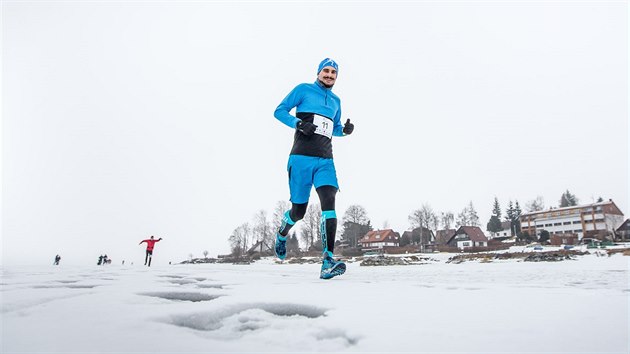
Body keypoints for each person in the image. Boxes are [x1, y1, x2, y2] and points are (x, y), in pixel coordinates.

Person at [273, 58, 354, 280]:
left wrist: (345, 131)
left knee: (329, 202)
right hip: (300, 159)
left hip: (325, 161)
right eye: (326, 71)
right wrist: (298, 124)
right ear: (318, 72)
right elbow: (279, 111)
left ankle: (327, 260)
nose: (329, 75)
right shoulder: (303, 90)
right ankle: (282, 234)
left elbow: (334, 129)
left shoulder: (336, 101)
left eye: (333, 72)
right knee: (298, 211)